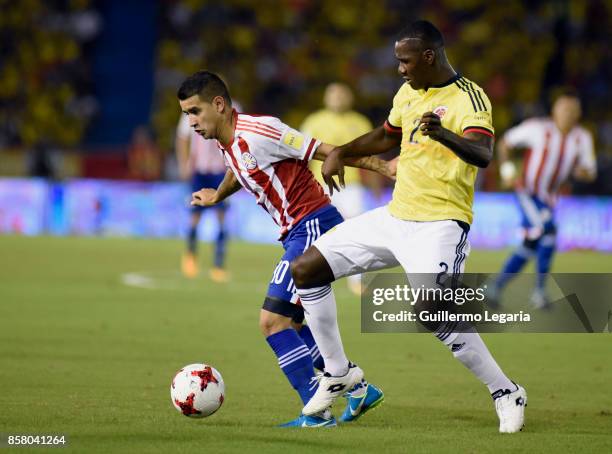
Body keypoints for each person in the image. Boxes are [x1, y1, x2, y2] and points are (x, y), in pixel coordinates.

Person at [290, 20, 527, 434]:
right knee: (306, 270)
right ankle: (339, 372)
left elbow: (484, 153)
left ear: (429, 57)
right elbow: (386, 135)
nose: (399, 68)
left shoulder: (470, 97)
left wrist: (444, 134)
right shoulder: (408, 93)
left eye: (405, 60)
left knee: (431, 310)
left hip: (440, 225)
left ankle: (506, 391)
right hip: (394, 216)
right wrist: (341, 153)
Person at [179, 70, 394, 427]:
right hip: (297, 230)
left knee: (272, 322)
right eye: (186, 114)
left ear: (218, 104)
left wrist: (381, 165)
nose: (191, 122)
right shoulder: (225, 137)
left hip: (312, 224)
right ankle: (358, 389)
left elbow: (326, 151)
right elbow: (238, 167)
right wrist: (218, 194)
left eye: (195, 112)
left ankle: (318, 410)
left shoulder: (262, 130)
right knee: (292, 324)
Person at [490, 91, 597, 308]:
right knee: (548, 230)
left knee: (532, 244)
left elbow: (590, 171)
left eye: (572, 110)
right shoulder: (538, 129)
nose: (567, 113)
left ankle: (495, 286)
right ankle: (539, 292)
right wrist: (508, 171)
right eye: (563, 108)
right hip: (527, 192)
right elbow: (505, 143)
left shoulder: (582, 138)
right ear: (554, 110)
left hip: (550, 200)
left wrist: (580, 172)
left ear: (578, 114)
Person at [300, 82, 376, 294]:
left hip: (351, 186)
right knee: (316, 234)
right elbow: (302, 155)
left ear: (350, 98)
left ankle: (357, 282)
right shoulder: (314, 121)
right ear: (326, 97)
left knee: (357, 234)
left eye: (342, 94)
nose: (338, 98)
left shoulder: (360, 123)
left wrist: (375, 186)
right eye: (334, 94)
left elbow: (370, 157)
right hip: (321, 185)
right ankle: (310, 276)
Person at [176, 109, 238, 282]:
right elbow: (182, 138)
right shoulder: (192, 112)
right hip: (199, 171)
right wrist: (184, 164)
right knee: (195, 215)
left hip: (221, 172)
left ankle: (218, 265)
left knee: (222, 218)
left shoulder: (232, 110)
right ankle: (190, 256)